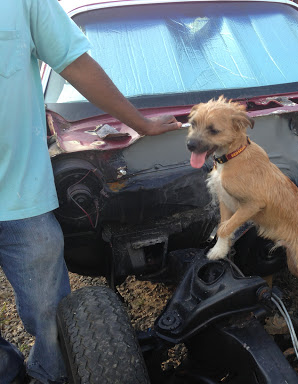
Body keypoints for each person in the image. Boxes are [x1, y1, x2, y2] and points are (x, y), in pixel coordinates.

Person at [0, 1, 182, 383]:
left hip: (19, 196)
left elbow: (76, 63)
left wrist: (142, 124)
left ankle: (49, 375)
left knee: (52, 314)